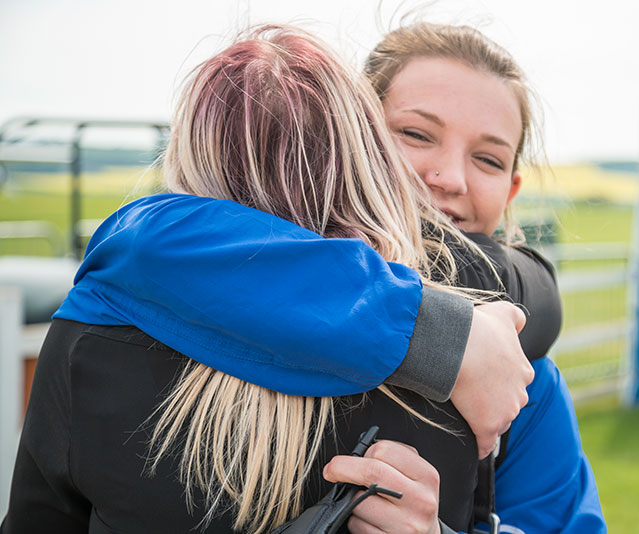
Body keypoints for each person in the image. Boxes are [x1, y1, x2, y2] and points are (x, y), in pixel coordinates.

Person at [1, 24, 529, 534]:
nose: (448, 179)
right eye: (415, 134)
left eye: (486, 158)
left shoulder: (92, 335)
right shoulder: (467, 365)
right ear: (366, 151)